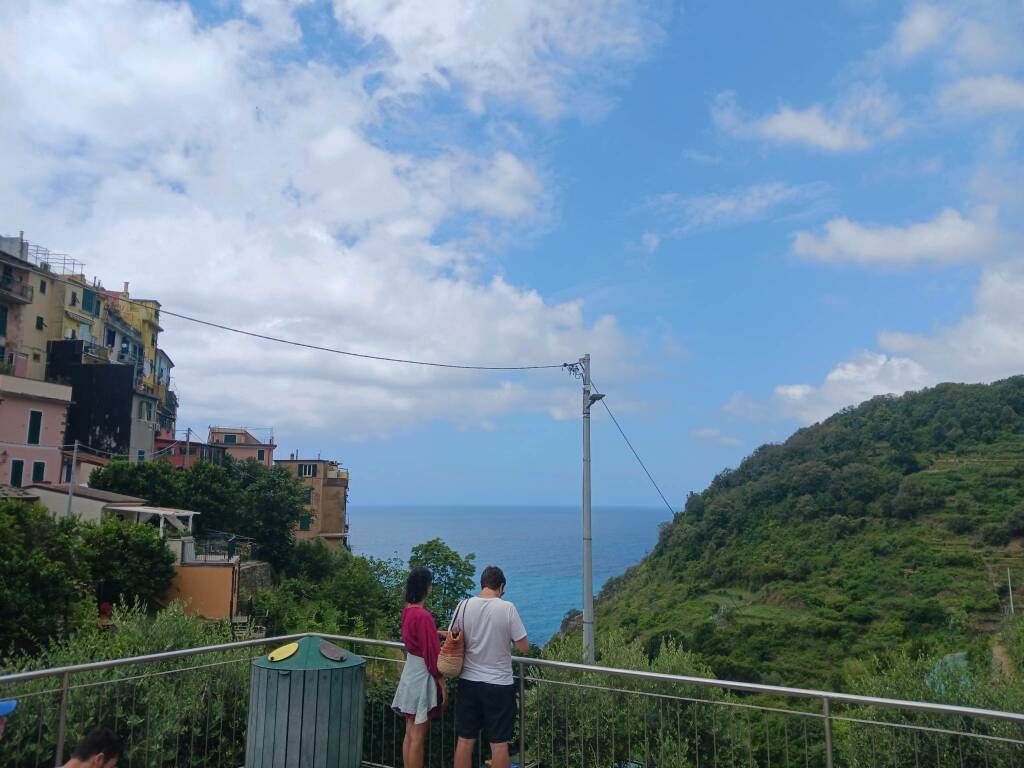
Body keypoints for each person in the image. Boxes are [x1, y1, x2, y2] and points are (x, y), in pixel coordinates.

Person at [452, 565, 529, 768]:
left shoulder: (463, 605)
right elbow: (523, 646)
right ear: (501, 586)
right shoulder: (507, 608)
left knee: (465, 740)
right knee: (499, 744)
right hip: (498, 685)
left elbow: (454, 636)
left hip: (468, 681)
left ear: (482, 584)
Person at [391, 567, 446, 768]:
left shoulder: (408, 611)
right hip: (422, 676)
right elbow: (432, 655)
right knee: (418, 736)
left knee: (410, 731)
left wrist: (436, 632)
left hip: (410, 673)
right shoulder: (423, 617)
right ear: (426, 588)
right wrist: (441, 682)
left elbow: (416, 638)